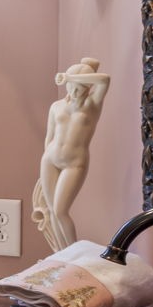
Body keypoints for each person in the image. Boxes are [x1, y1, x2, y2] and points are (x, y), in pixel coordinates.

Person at [33, 58, 110, 250]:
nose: (74, 92)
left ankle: (73, 253)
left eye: (80, 88)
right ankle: (61, 255)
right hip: (50, 160)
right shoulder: (56, 106)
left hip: (74, 164)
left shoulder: (92, 106)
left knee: (61, 211)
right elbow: (48, 137)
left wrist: (69, 75)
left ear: (88, 88)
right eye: (71, 86)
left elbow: (105, 80)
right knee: (51, 213)